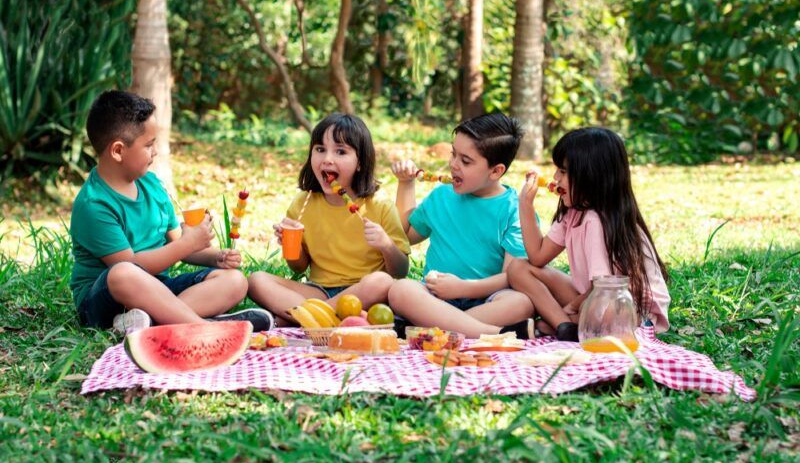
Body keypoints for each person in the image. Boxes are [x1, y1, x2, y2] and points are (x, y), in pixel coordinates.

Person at [70, 90, 273, 333]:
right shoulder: (94, 204)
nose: (155, 151)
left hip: (157, 288)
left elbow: (177, 242)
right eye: (148, 144)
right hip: (105, 300)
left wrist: (214, 257)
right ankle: (204, 328)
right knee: (122, 273)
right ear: (118, 151)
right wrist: (187, 244)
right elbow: (132, 265)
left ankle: (151, 323)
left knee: (235, 281)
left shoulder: (152, 185)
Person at [507, 127, 670, 341]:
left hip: (628, 309)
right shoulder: (574, 212)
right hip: (594, 297)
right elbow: (537, 257)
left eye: (563, 172)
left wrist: (570, 306)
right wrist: (525, 204)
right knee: (518, 268)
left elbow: (602, 288)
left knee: (602, 310)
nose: (556, 178)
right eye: (557, 170)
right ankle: (565, 326)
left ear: (591, 176)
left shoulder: (596, 220)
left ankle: (559, 323)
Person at [248, 113, 410, 325]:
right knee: (256, 280)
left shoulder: (379, 206)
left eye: (340, 151)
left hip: (363, 295)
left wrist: (386, 245)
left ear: (360, 163)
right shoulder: (302, 203)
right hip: (319, 292)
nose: (327, 159)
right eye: (320, 149)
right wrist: (291, 244)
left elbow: (400, 270)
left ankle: (301, 318)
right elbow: (298, 267)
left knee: (382, 281)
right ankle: (322, 317)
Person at [388, 112, 535, 339]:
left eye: (465, 161)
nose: (453, 165)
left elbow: (512, 276)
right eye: (454, 154)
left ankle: (428, 327)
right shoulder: (441, 197)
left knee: (521, 303)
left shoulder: (515, 210)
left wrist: (464, 288)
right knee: (401, 290)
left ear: (496, 171)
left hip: (487, 298)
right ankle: (495, 333)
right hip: (434, 296)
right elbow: (405, 235)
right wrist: (406, 184)